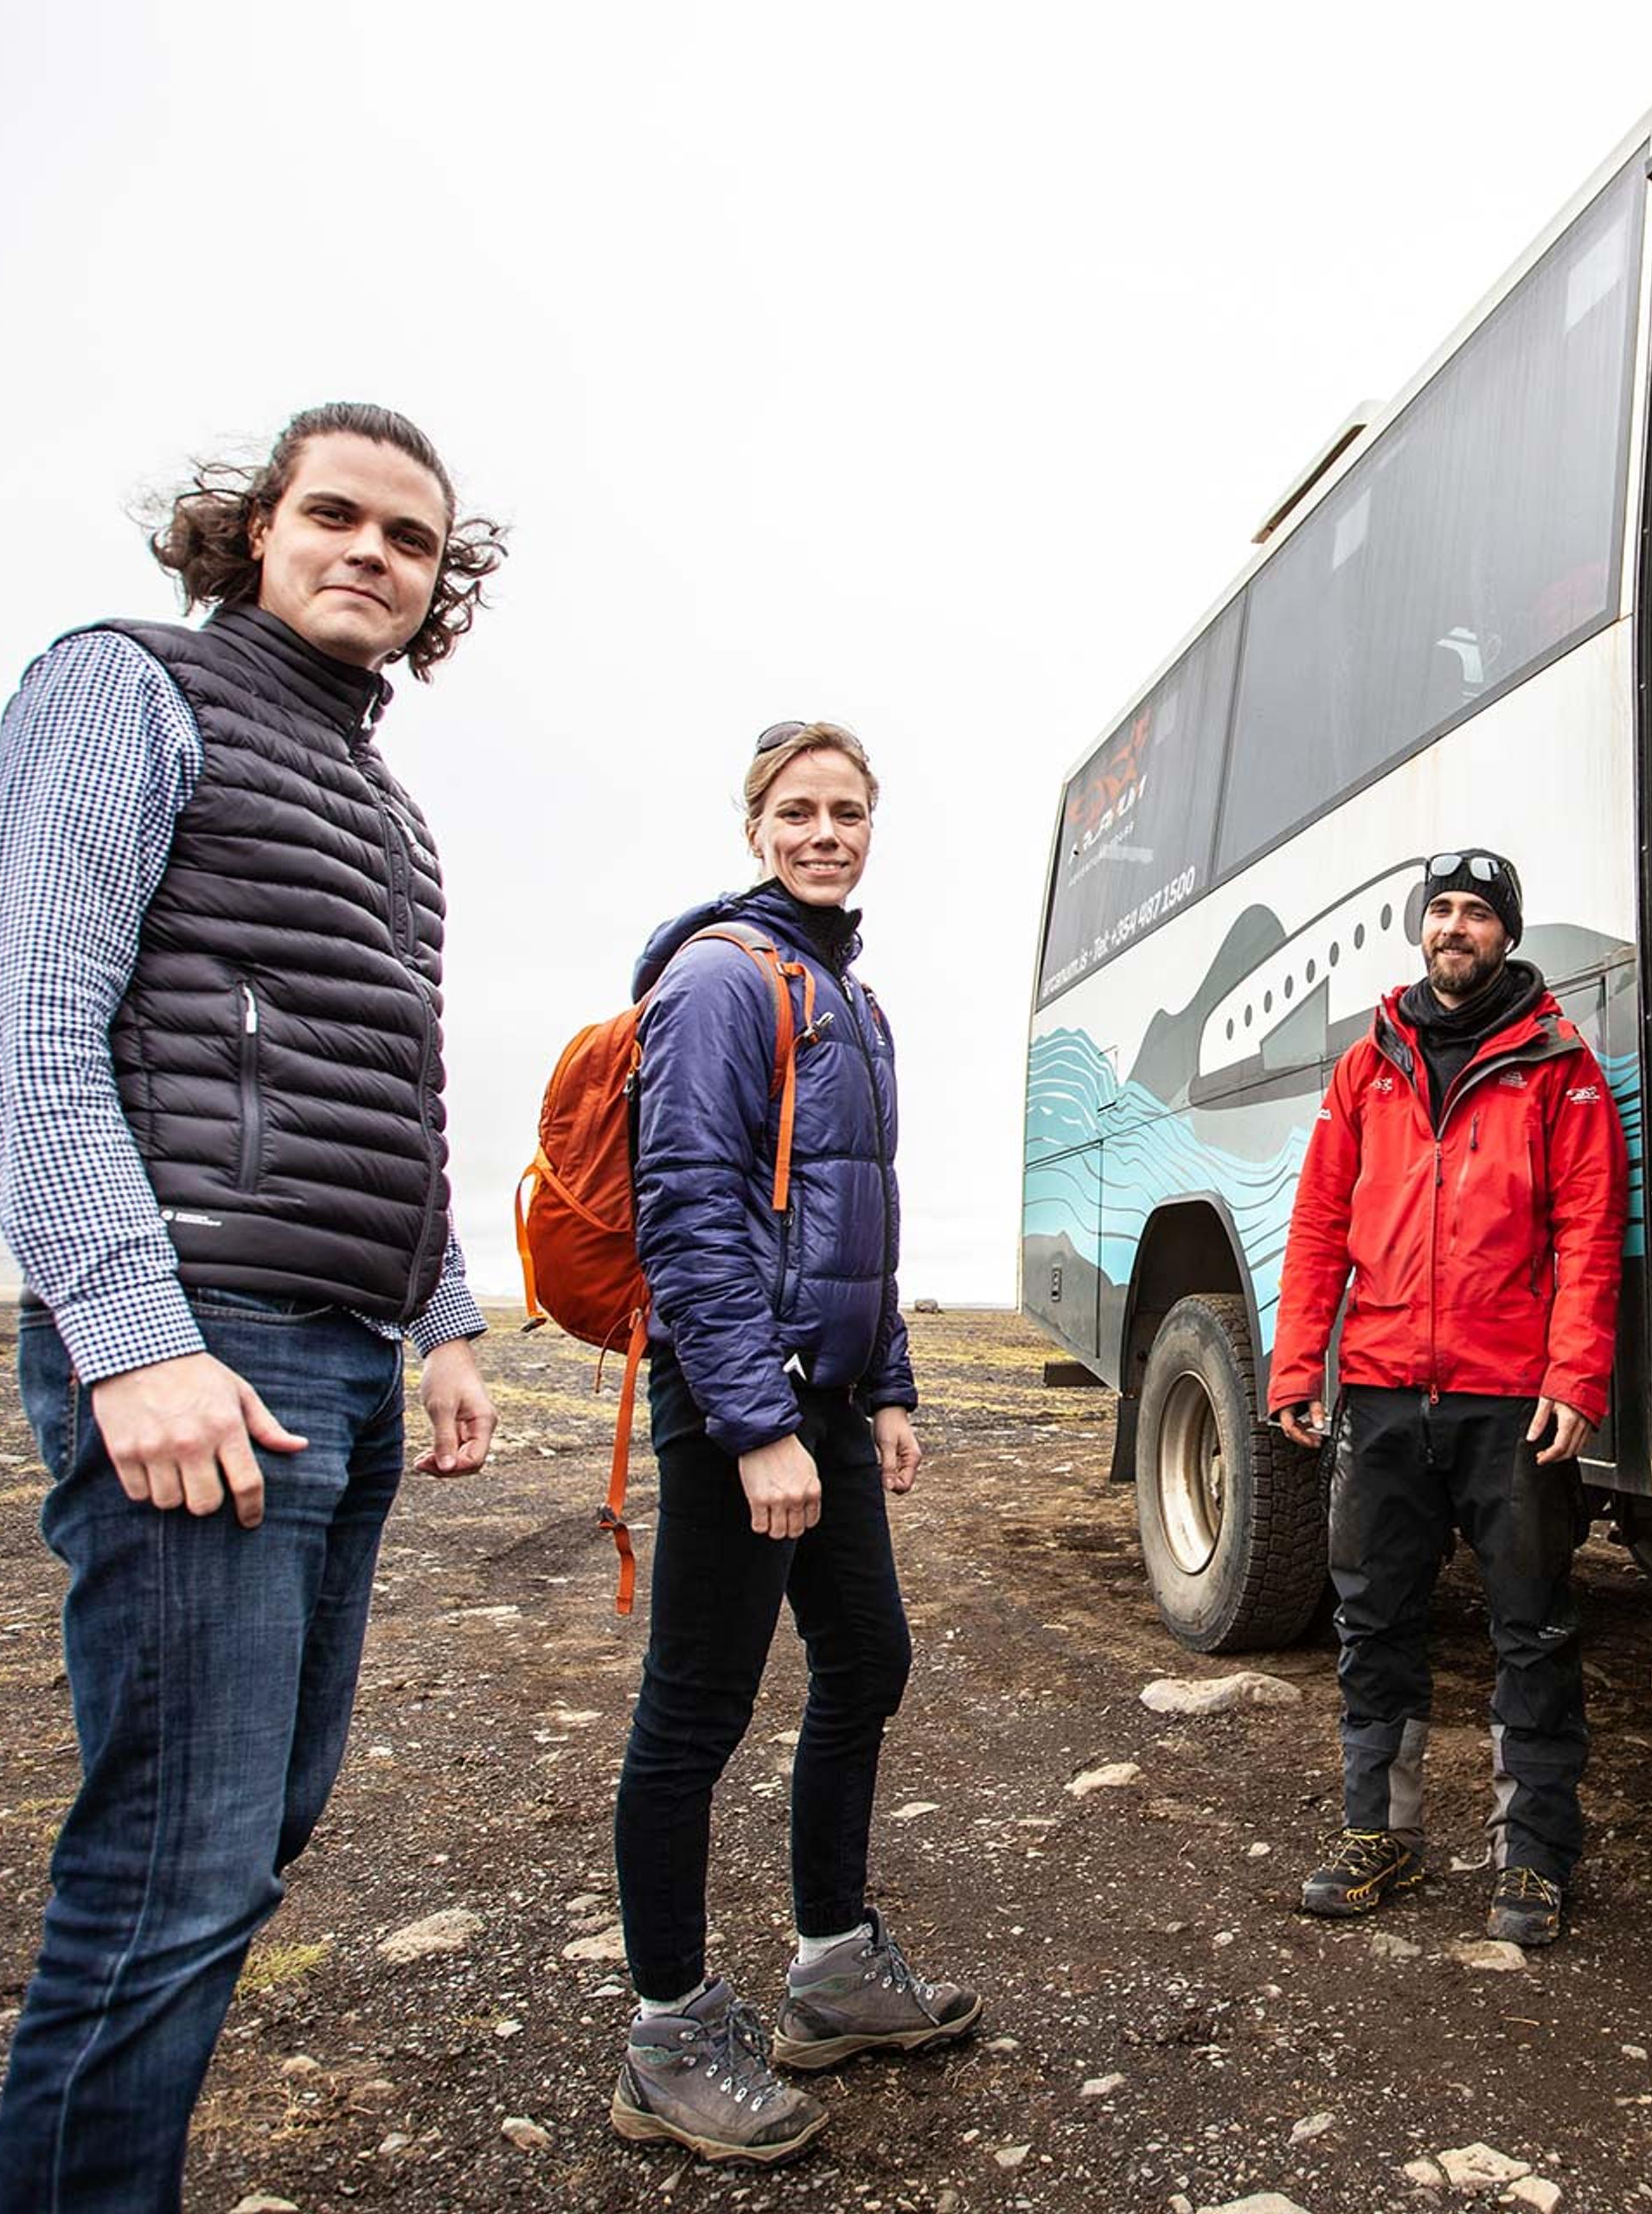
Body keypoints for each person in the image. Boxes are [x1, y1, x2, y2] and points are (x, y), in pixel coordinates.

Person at [0, 402, 505, 2211]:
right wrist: (132, 1331)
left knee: (244, 1842)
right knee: (171, 1868)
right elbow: (20, 1028)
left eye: (411, 540)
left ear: (440, 590)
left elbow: (388, 1091)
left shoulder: (394, 818)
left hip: (331, 1360)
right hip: (203, 1345)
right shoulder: (131, 689)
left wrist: (444, 1319)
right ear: (253, 532)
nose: (372, 553)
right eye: (334, 514)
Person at [606, 719, 980, 2168]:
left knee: (868, 1661)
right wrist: (757, 1423)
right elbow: (688, 1208)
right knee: (693, 1716)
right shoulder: (716, 979)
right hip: (738, 1408)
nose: (825, 831)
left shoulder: (850, 999)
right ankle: (667, 2035)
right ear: (755, 825)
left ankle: (829, 1965)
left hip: (822, 1400)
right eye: (797, 810)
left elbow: (856, 1225)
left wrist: (883, 1385)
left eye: (847, 811)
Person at [1271, 848, 1626, 1947]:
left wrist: (1576, 1375)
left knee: (1531, 1625)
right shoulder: (1366, 1064)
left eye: (1476, 913)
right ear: (1421, 931)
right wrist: (1297, 1364)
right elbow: (1321, 1222)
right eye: (1440, 912)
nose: (1453, 929)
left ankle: (1533, 1859)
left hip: (1509, 1398)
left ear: (1507, 934)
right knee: (1373, 1619)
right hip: (1380, 1390)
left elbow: (1592, 1232)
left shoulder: (1560, 1064)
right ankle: (1380, 1833)